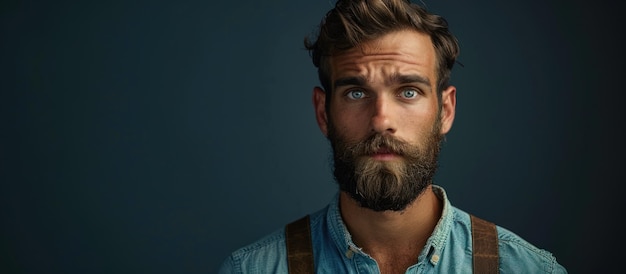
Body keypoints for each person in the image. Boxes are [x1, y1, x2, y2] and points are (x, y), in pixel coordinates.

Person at [218, 0, 567, 273]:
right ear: (323, 113)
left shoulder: (529, 269)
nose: (381, 120)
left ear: (445, 111)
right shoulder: (252, 269)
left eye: (409, 91)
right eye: (356, 92)